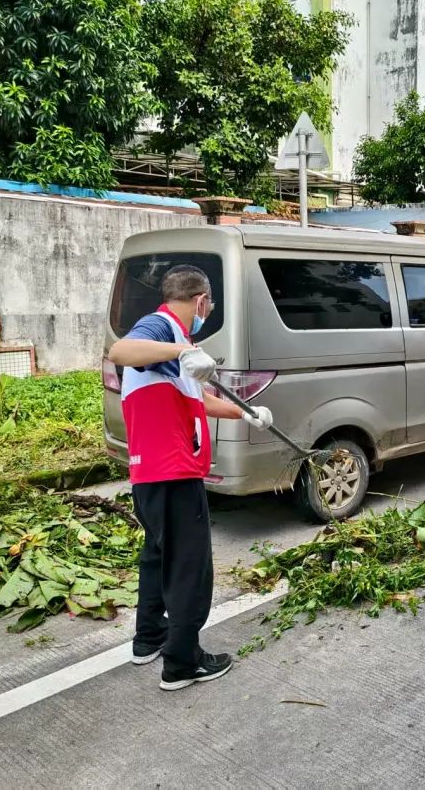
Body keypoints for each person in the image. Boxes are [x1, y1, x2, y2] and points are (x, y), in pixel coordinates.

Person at [108, 265, 274, 691]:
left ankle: (150, 638)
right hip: (172, 469)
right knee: (189, 568)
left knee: (159, 557)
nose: (208, 310)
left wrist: (244, 412)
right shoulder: (161, 328)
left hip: (153, 471)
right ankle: (182, 662)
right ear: (201, 301)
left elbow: (199, 398)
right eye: (209, 305)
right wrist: (180, 352)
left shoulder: (177, 344)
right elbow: (121, 352)